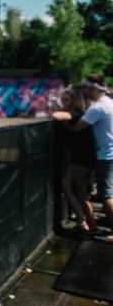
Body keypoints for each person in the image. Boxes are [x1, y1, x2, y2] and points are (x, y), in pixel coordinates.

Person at [54, 74, 113, 243]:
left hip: (105, 155)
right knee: (84, 192)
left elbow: (75, 128)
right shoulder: (108, 103)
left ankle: (89, 225)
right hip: (103, 154)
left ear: (94, 88)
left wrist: (64, 118)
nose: (84, 90)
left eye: (85, 87)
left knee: (106, 195)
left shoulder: (97, 108)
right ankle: (89, 225)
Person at [52, 88, 97, 233]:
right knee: (73, 191)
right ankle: (85, 223)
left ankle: (86, 223)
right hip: (79, 157)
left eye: (66, 100)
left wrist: (55, 109)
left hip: (81, 158)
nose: (63, 102)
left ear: (74, 101)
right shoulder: (78, 114)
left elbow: (57, 116)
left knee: (79, 193)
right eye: (62, 99)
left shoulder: (77, 113)